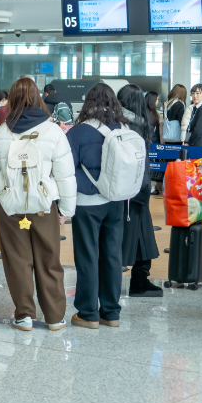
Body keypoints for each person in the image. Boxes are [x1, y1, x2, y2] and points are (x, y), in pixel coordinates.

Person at [0, 77, 76, 332]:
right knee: (49, 259)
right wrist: (67, 210)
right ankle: (55, 317)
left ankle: (24, 315)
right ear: (39, 97)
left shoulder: (1, 133)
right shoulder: (53, 131)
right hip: (44, 206)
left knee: (17, 261)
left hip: (11, 207)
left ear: (11, 100)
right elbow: (65, 174)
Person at [66, 82, 133, 329]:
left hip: (87, 203)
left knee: (87, 256)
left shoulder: (78, 132)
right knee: (113, 256)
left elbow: (66, 169)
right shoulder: (124, 128)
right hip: (117, 201)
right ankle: (111, 313)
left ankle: (88, 313)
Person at [118, 84, 162, 298]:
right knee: (142, 237)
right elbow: (141, 163)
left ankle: (128, 281)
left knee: (125, 237)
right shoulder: (138, 126)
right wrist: (144, 190)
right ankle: (139, 281)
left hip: (117, 191)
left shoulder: (114, 124)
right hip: (135, 190)